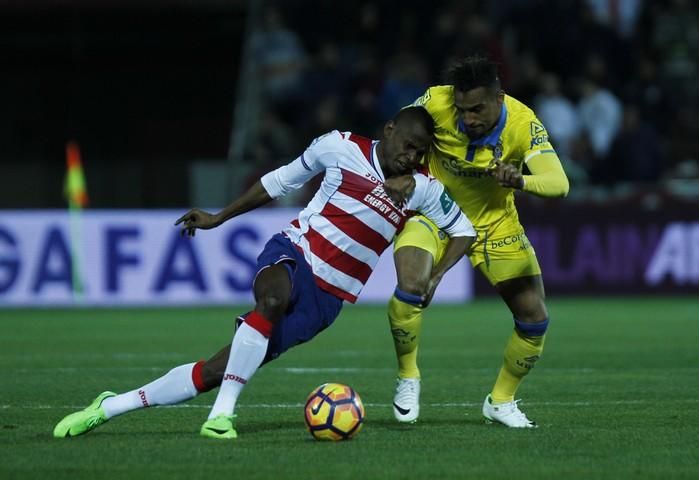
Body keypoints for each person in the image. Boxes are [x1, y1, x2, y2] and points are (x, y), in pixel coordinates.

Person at [52, 107, 477, 440]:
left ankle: (110, 406)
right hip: (296, 251)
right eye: (408, 144)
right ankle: (221, 416)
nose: (412, 156)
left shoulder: (422, 189)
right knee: (272, 299)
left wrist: (436, 275)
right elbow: (280, 181)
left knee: (215, 371)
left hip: (327, 301)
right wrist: (220, 217)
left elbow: (464, 230)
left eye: (421, 152)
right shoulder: (340, 147)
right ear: (389, 130)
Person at [385, 56, 569, 427]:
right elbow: (396, 132)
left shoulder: (521, 123)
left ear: (499, 98)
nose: (468, 119)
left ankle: (500, 401)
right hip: (433, 212)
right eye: (462, 109)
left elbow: (559, 183)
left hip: (495, 224)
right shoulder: (435, 102)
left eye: (477, 109)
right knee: (411, 286)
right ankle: (408, 376)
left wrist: (520, 181)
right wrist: (401, 172)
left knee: (534, 319)